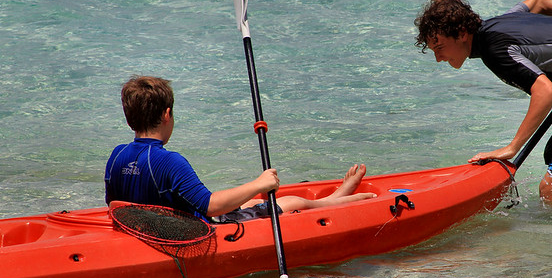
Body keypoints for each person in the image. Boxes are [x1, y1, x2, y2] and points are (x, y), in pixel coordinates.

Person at [414, 0, 552, 205]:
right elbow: (541, 0)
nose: (438, 58)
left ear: (462, 33)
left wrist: (511, 148)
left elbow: (547, 92)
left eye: (440, 48)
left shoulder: (495, 50)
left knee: (551, 188)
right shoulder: (503, 20)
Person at [105, 76, 376, 222]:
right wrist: (259, 181)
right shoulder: (169, 161)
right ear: (167, 115)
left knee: (255, 203)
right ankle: (340, 199)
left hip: (154, 227)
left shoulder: (117, 155)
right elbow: (209, 206)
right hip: (191, 231)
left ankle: (265, 195)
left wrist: (255, 191)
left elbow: (114, 204)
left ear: (129, 118)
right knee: (291, 203)